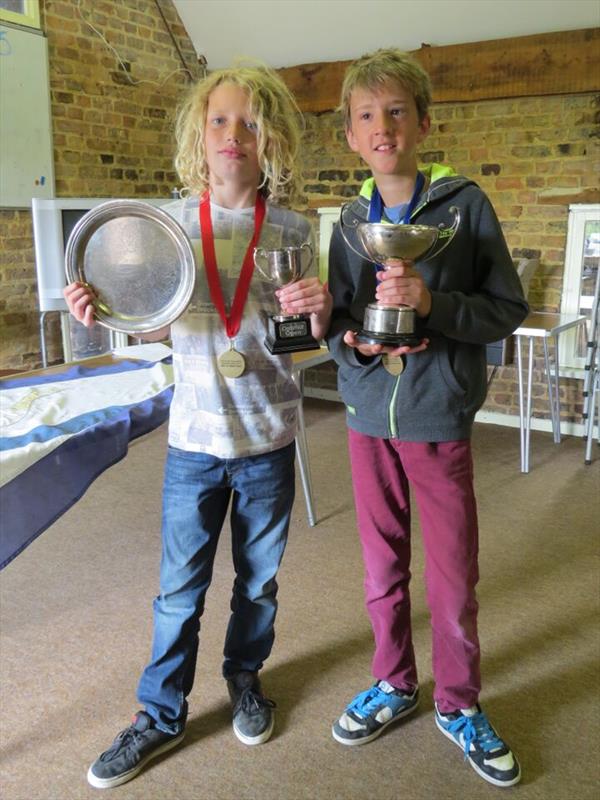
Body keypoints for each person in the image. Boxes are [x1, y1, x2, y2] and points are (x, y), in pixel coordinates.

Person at [65, 64, 331, 790]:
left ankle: (245, 678)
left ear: (271, 136)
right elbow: (147, 325)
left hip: (268, 440)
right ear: (198, 133)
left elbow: (304, 347)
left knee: (260, 583)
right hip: (194, 443)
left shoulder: (293, 229)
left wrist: (318, 314)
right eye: (219, 121)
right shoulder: (167, 226)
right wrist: (102, 313)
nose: (233, 135)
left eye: (250, 122)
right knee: (178, 590)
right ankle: (159, 715)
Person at [325, 48, 528, 789]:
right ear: (350, 134)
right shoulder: (349, 219)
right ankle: (394, 683)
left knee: (450, 572)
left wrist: (434, 305)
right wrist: (345, 338)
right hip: (365, 417)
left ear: (424, 123)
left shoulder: (465, 204)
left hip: (437, 413)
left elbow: (507, 309)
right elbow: (341, 314)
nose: (384, 128)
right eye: (367, 116)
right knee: (381, 567)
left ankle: (458, 701)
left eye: (397, 112)